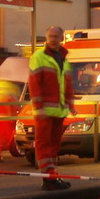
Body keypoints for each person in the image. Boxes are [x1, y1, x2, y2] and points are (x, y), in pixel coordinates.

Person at [29, 26, 76, 190]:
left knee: (54, 145)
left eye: (56, 36)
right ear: (46, 37)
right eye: (50, 36)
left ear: (61, 38)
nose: (53, 39)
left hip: (58, 110)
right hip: (45, 111)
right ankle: (48, 177)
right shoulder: (39, 57)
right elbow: (34, 83)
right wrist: (38, 106)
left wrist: (71, 104)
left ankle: (52, 176)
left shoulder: (64, 58)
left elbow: (67, 84)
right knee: (44, 144)